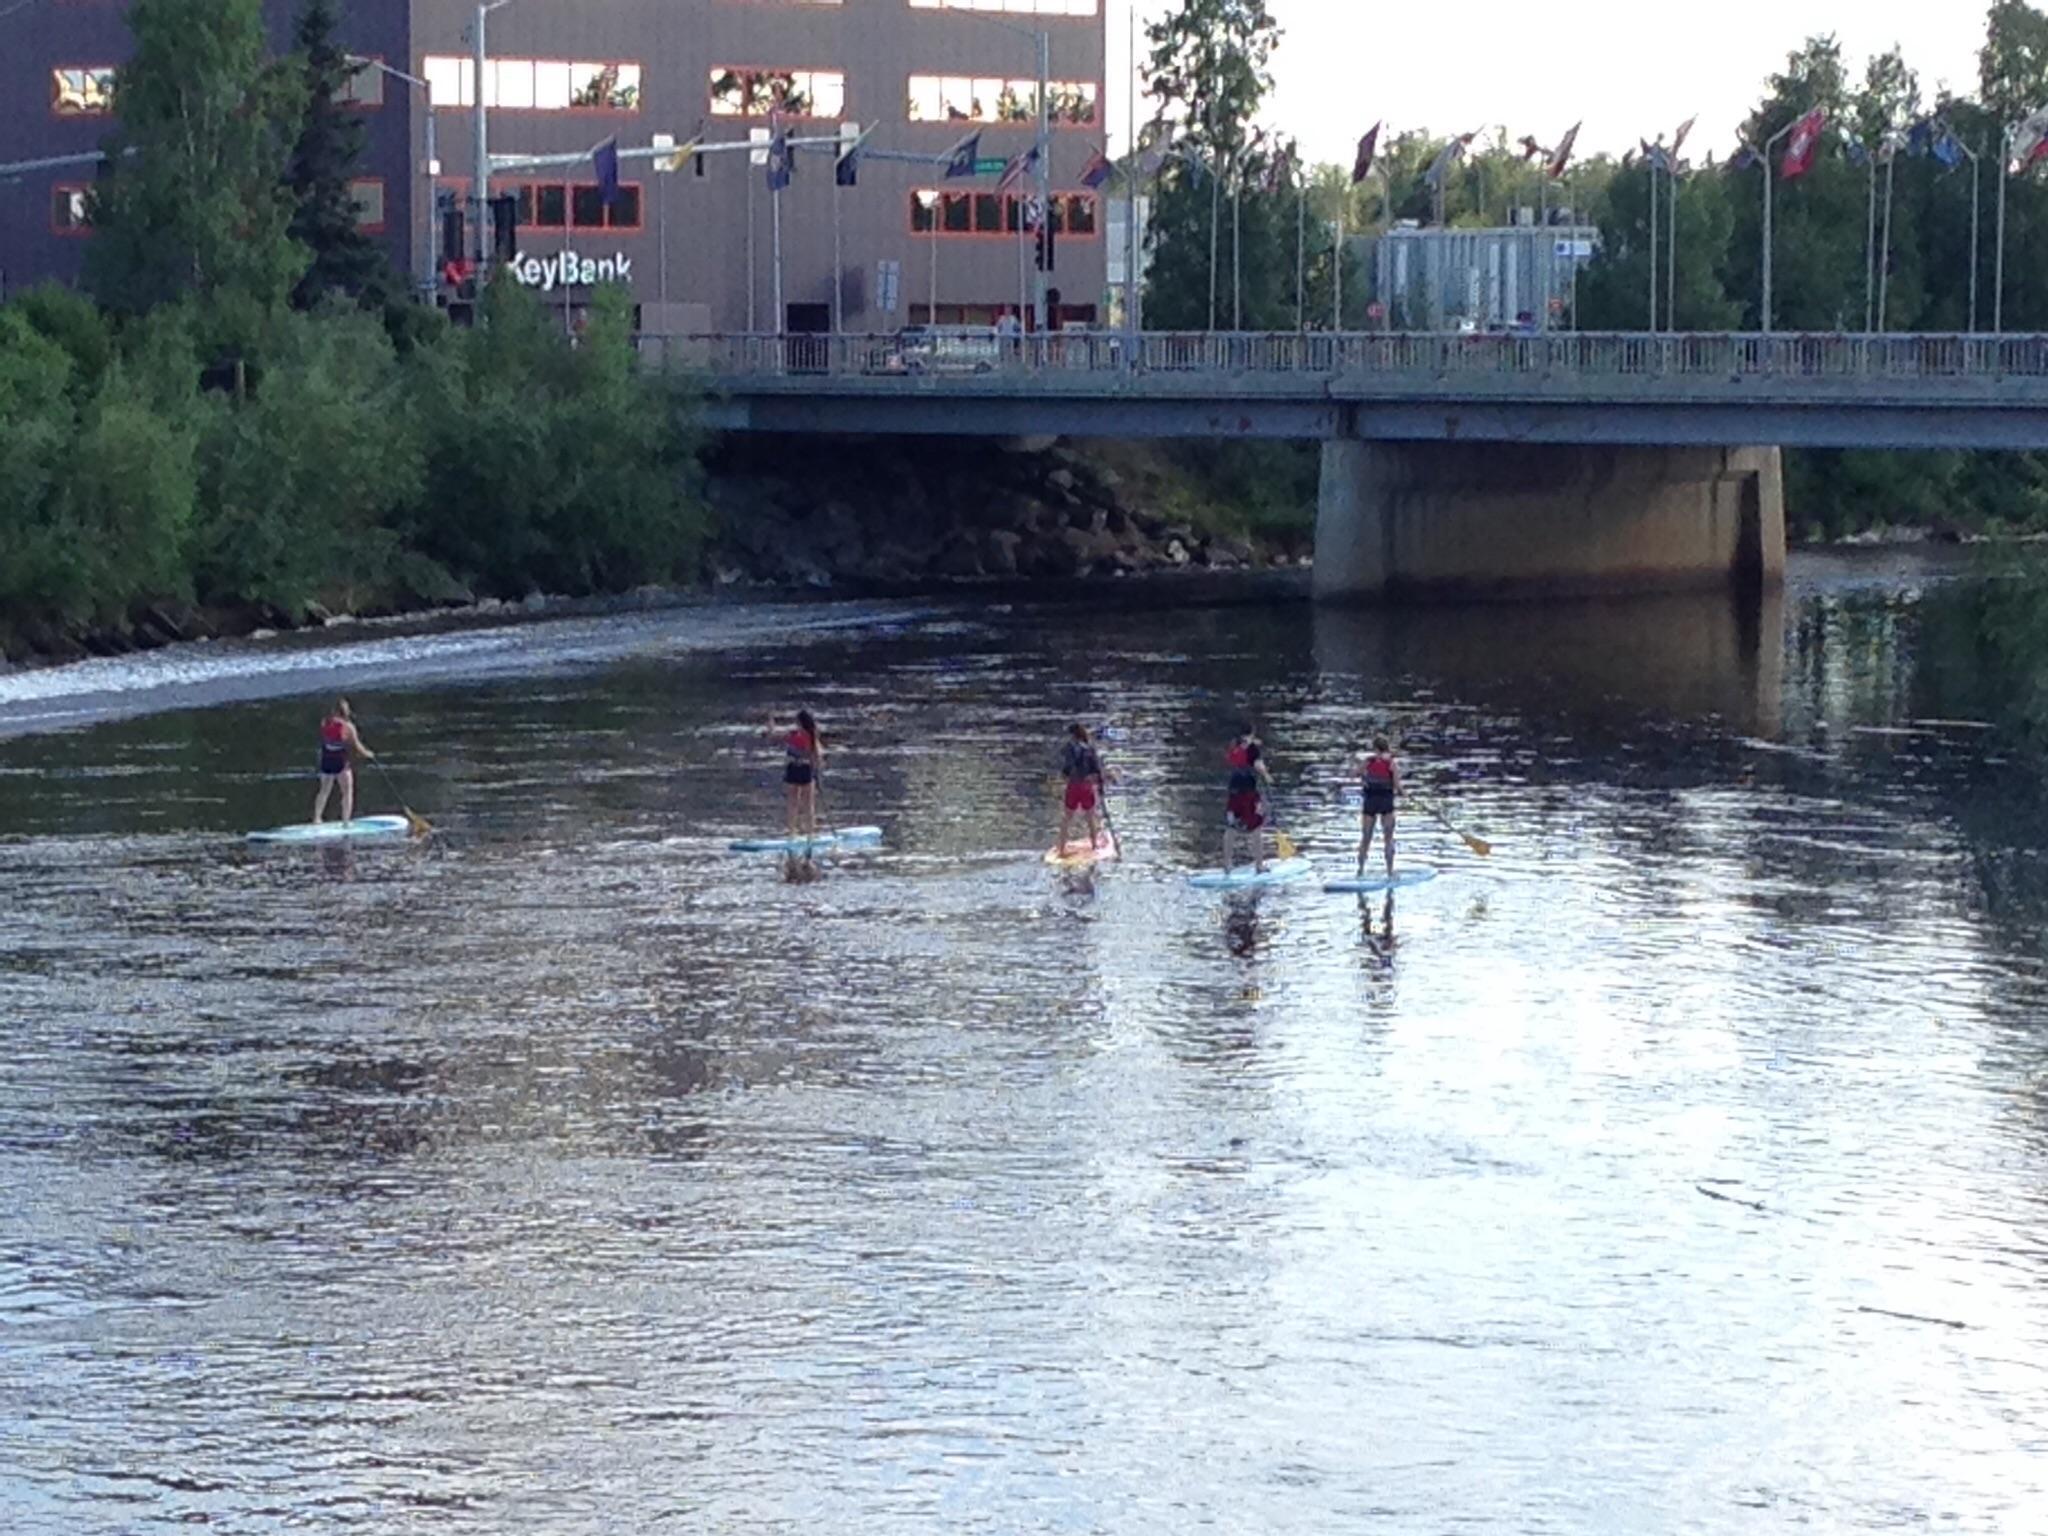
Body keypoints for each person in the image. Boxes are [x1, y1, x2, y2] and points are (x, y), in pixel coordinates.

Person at [312, 698, 373, 825]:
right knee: (347, 791)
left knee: (324, 790)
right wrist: (368, 754)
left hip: (326, 759)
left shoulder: (325, 722)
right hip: (340, 761)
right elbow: (357, 746)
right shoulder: (349, 727)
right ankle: (346, 821)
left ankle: (317, 818)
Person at [1224, 727, 1273, 874]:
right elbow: (1258, 765)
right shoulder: (1252, 748)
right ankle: (1259, 866)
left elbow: (1232, 760)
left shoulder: (1234, 746)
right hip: (1249, 793)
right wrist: (1267, 776)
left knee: (1231, 828)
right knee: (1256, 828)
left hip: (1233, 792)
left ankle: (1227, 865)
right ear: (1251, 734)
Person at [769, 709, 824, 839]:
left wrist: (771, 727)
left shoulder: (794, 735)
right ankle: (810, 833)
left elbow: (774, 736)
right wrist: (817, 770)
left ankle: (791, 833)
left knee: (793, 803)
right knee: (808, 804)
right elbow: (817, 756)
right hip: (805, 770)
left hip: (793, 768)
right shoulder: (811, 736)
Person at [1057, 723, 1108, 856]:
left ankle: (1061, 848)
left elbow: (1065, 770)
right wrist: (1101, 787)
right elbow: (1096, 769)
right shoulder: (1089, 749)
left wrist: (1064, 777)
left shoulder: (1068, 748)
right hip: (1086, 786)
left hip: (1073, 786)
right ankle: (1094, 845)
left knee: (1067, 818)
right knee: (1090, 817)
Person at [1357, 735, 1399, 877]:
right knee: (1388, 838)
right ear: (1387, 748)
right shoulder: (1392, 763)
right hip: (1386, 802)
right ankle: (1390, 872)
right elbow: (1397, 785)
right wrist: (1404, 793)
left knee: (1366, 838)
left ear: (1375, 748)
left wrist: (1363, 778)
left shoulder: (1368, 762)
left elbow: (1356, 774)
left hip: (1370, 802)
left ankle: (1360, 871)